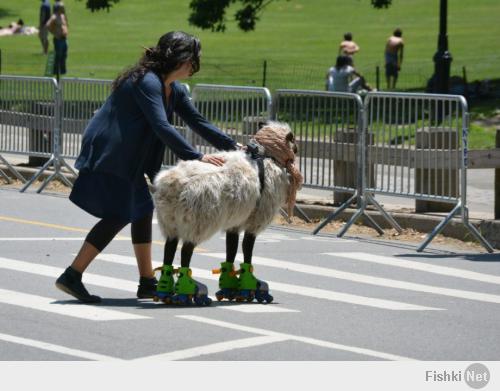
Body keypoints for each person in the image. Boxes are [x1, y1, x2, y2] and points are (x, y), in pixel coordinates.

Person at [55, 31, 240, 304]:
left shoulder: (172, 89)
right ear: (180, 58)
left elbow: (198, 122)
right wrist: (195, 157)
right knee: (120, 214)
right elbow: (161, 125)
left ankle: (146, 282)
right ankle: (72, 275)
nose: (194, 65)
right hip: (112, 151)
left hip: (130, 155)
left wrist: (234, 146)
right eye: (192, 59)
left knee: (141, 209)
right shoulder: (146, 82)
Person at [46, 1, 68, 76]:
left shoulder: (63, 15)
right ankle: (56, 71)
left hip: (64, 38)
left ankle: (62, 71)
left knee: (64, 55)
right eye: (62, 7)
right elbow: (48, 25)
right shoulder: (54, 16)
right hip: (58, 39)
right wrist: (55, 33)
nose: (64, 8)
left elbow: (65, 25)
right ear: (59, 8)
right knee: (58, 56)